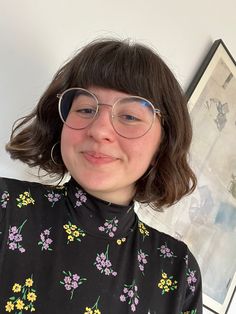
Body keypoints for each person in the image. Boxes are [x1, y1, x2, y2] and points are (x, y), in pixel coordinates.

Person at [0, 38, 202, 313]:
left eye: (129, 116)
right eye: (85, 109)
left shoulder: (180, 272)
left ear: (162, 145)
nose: (99, 130)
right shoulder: (5, 206)